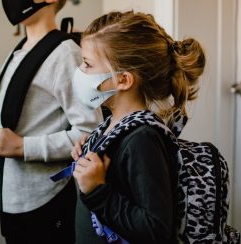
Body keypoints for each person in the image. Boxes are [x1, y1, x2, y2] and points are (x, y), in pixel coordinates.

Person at [0, 0, 102, 243]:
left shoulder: (65, 54)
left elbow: (90, 131)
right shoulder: (17, 51)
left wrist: (22, 147)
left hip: (44, 199)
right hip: (10, 198)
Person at [70, 11, 206, 243]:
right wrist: (91, 148)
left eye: (87, 64)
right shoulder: (113, 124)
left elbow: (155, 229)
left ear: (123, 80)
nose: (80, 71)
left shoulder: (142, 139)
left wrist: (97, 191)